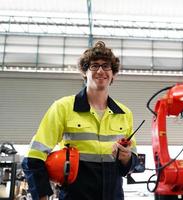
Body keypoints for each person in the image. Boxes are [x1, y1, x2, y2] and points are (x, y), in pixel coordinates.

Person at [22, 41, 138, 200]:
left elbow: (133, 163)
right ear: (85, 71)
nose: (100, 70)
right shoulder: (63, 108)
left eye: (106, 66)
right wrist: (42, 195)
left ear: (113, 73)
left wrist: (127, 159)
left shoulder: (125, 114)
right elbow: (34, 157)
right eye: (94, 65)